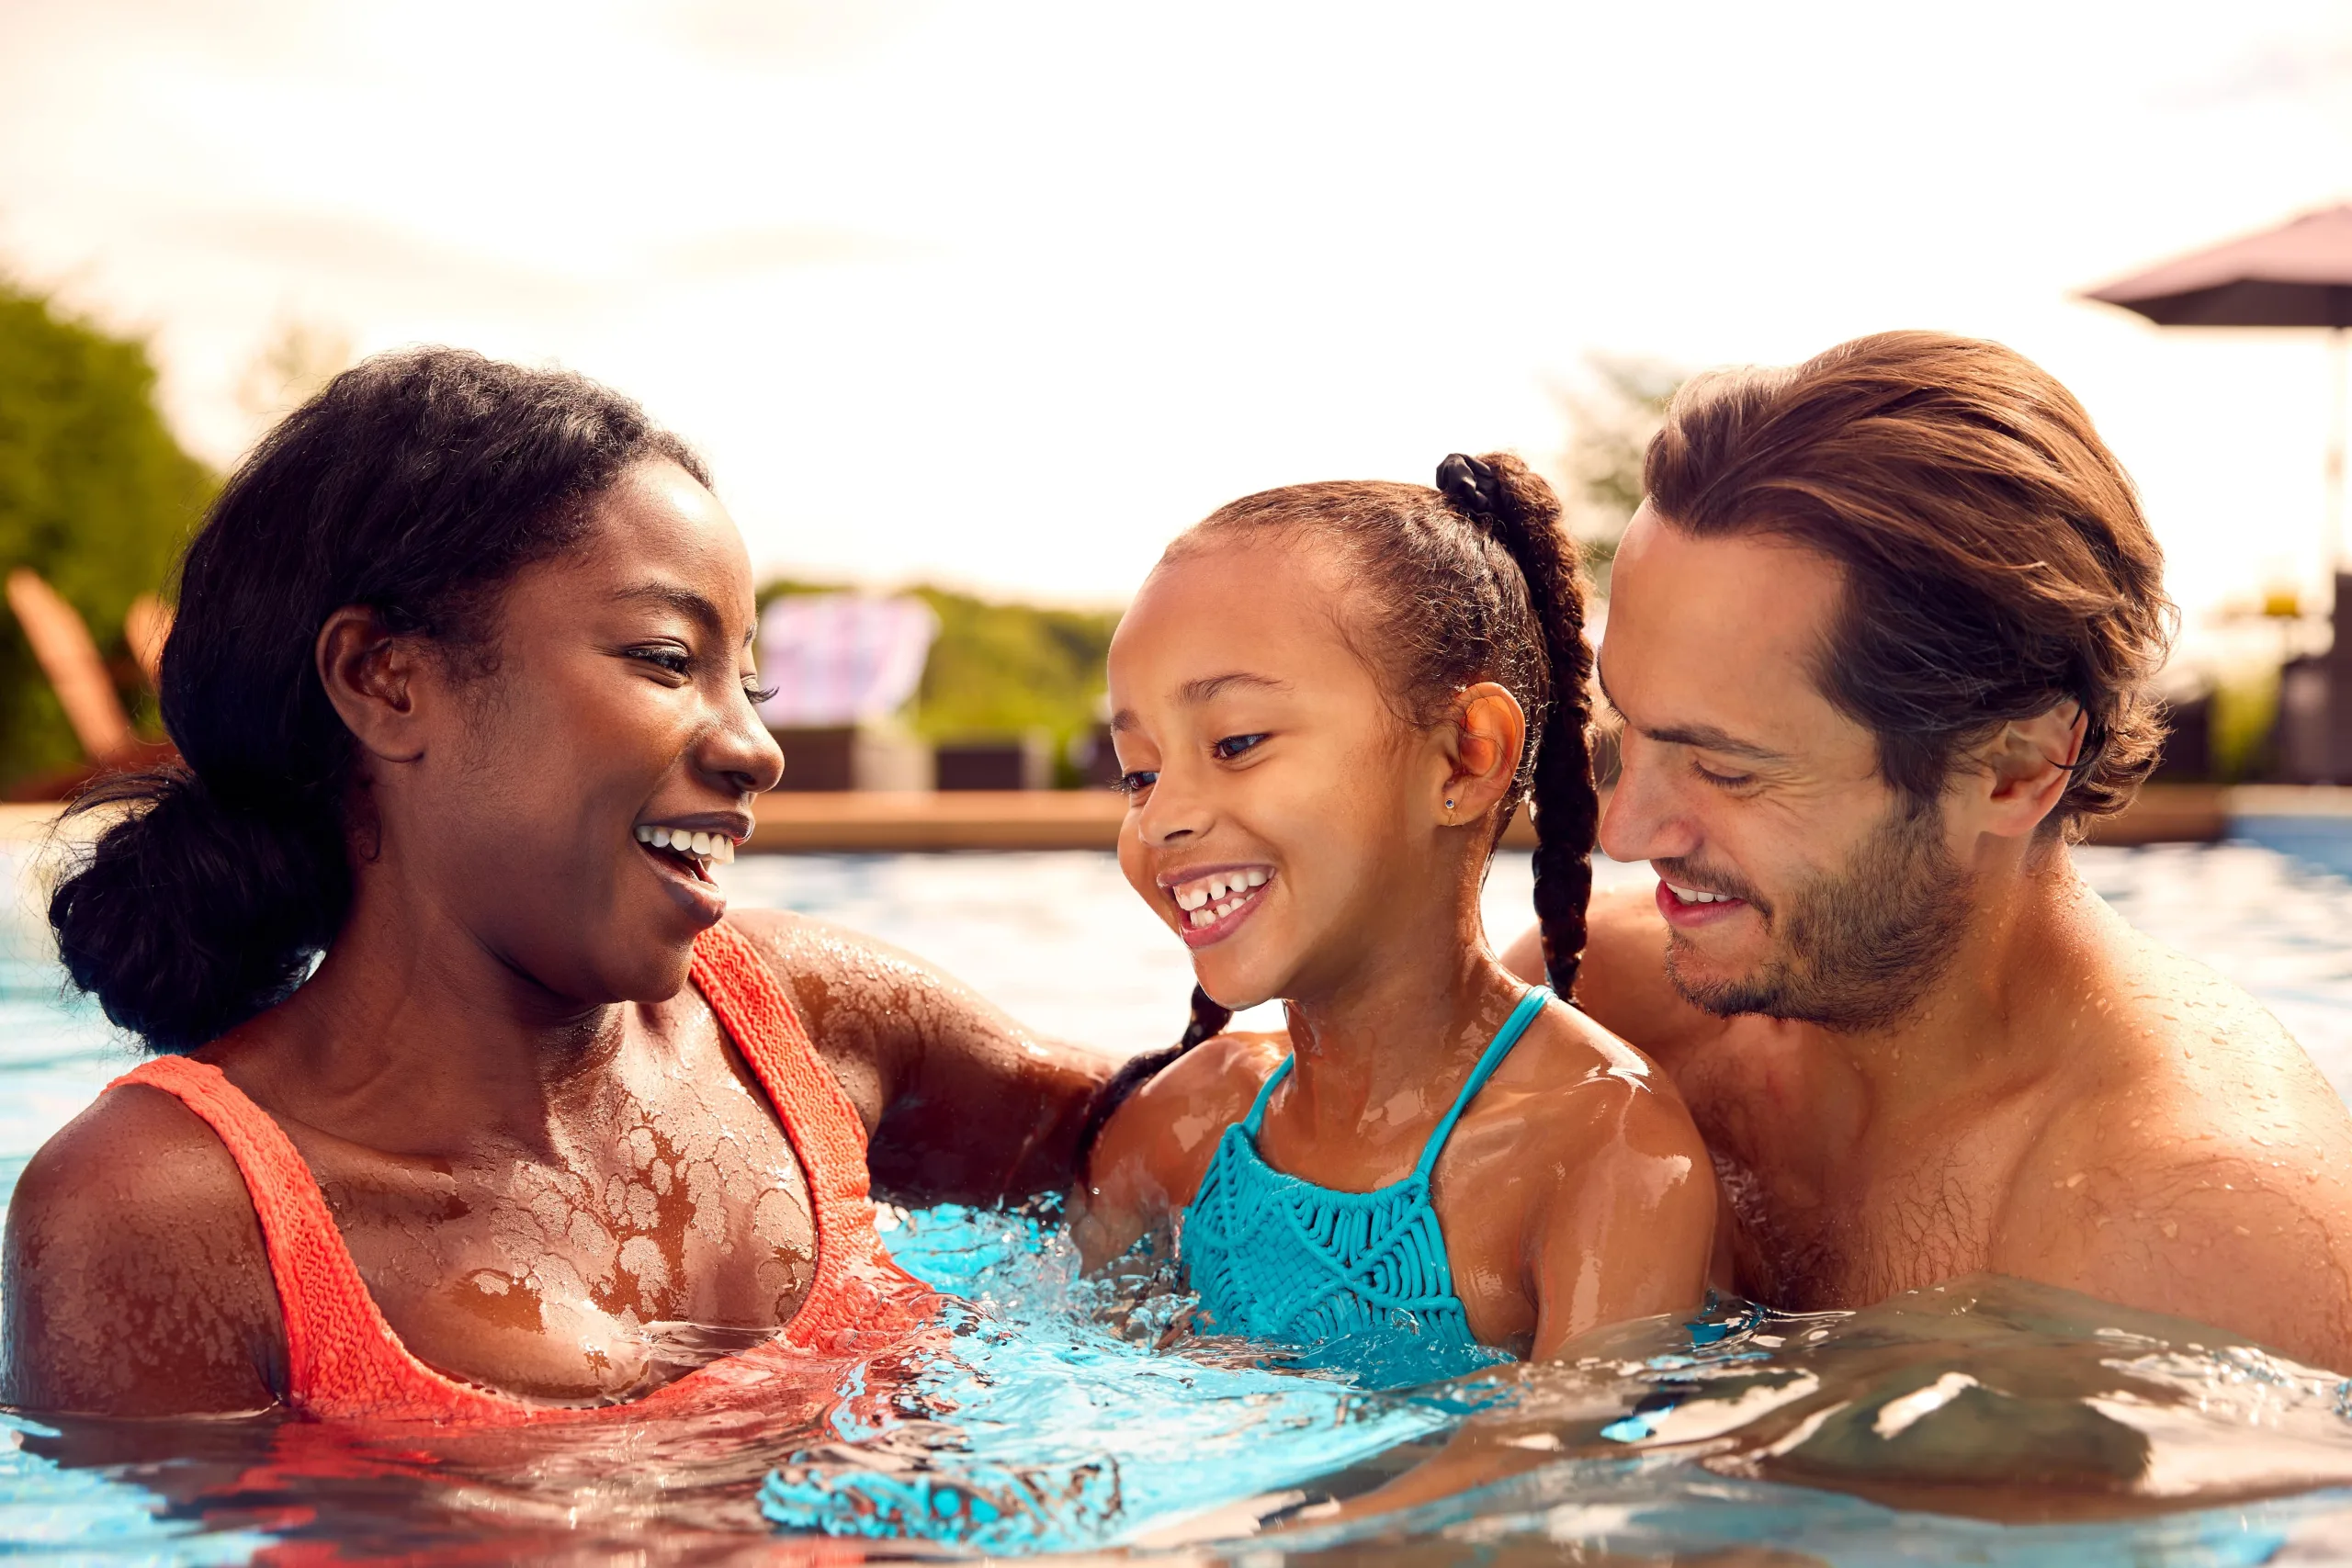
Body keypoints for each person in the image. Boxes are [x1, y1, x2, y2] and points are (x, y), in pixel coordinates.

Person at [0, 350, 1109, 1420]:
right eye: (669, 660)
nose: (757, 746)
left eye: (750, 681)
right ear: (385, 682)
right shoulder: (171, 1213)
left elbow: (1187, 1136)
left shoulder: (800, 1027)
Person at [1503, 330, 2352, 1370]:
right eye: (1624, 735)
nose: (1624, 833)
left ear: (2013, 770)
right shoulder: (1601, 1010)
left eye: (1726, 770)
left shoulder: (2197, 1230)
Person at [1073, 453, 1714, 1380]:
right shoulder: (1181, 1130)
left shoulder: (1602, 1151)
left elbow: (1561, 1474)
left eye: (1236, 743)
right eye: (1140, 772)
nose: (1162, 815)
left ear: (1463, 758)